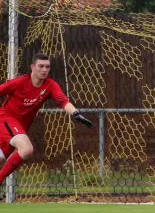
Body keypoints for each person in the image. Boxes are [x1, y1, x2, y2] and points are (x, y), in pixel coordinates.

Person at [0, 53, 93, 195]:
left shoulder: (50, 85)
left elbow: (62, 101)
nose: (44, 69)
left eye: (47, 67)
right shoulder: (19, 82)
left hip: (19, 128)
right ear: (32, 67)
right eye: (41, 66)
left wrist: (76, 113)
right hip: (5, 119)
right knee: (26, 149)